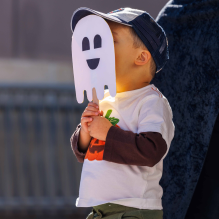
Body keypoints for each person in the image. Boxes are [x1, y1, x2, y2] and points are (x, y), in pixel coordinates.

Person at [70, 7, 175, 219]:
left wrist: (108, 134)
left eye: (110, 40)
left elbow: (152, 150)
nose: (98, 48)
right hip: (101, 210)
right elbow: (85, 153)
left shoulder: (150, 102)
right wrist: (85, 133)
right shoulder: (105, 99)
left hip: (134, 210)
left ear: (142, 57)